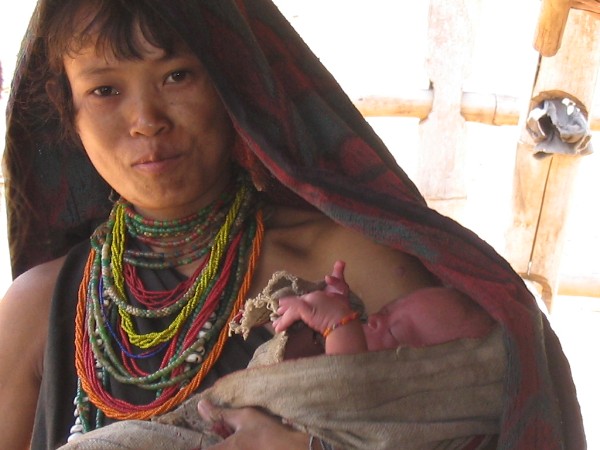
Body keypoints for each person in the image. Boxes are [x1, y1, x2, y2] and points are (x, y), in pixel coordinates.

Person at [0, 0, 584, 449]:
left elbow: (481, 418)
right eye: (104, 90)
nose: (146, 120)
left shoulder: (357, 264)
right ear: (66, 115)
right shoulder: (39, 308)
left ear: (235, 85)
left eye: (178, 75)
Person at [273, 260, 496, 355]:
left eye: (394, 331)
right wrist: (334, 319)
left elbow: (344, 384)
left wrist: (337, 324)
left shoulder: (380, 397)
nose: (374, 318)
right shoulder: (355, 340)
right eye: (387, 310)